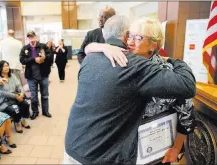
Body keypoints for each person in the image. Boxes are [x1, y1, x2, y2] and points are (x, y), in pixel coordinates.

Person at [64, 16, 196, 164]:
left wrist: (177, 148)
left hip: (154, 151)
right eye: (130, 36)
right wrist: (99, 46)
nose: (131, 41)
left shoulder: (165, 71)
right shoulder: (121, 60)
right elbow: (88, 50)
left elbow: (187, 113)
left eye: (138, 37)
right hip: (122, 151)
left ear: (154, 45)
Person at [19, 30, 52, 120]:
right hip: (31, 76)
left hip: (43, 75)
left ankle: (45, 111)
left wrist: (45, 57)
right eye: (29, 37)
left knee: (45, 95)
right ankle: (35, 112)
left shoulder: (43, 46)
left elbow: (50, 56)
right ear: (28, 38)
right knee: (33, 96)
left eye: (32, 36)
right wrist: (33, 59)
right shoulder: (25, 48)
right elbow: (22, 60)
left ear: (36, 37)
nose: (31, 39)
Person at [0, 61, 31, 133]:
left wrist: (22, 93)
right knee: (16, 109)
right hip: (4, 101)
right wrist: (16, 96)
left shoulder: (12, 76)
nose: (6, 67)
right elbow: (1, 93)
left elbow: (19, 86)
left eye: (7, 65)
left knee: (25, 104)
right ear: (0, 67)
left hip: (15, 98)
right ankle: (17, 122)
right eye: (4, 66)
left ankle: (23, 119)